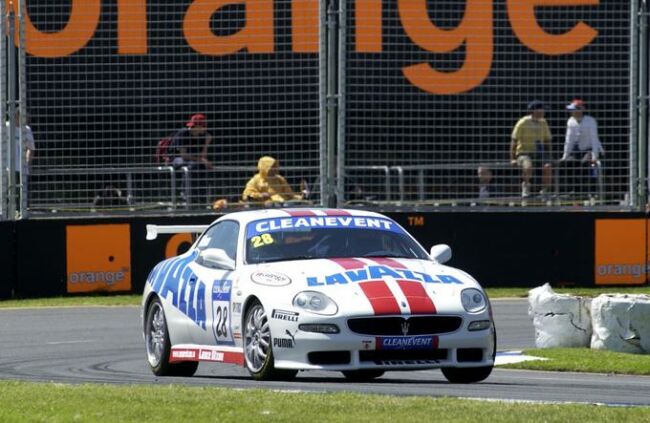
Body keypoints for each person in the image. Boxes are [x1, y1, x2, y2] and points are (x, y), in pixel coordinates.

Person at [559, 99, 604, 198]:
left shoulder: (590, 121)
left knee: (585, 163)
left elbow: (594, 139)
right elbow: (569, 140)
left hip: (590, 149)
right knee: (569, 163)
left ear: (581, 110)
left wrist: (595, 156)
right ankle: (575, 190)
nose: (572, 112)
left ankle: (588, 191)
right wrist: (565, 156)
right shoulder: (570, 121)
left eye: (574, 109)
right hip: (578, 150)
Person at [510, 100, 553, 198]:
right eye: (542, 110)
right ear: (534, 111)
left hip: (539, 152)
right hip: (524, 152)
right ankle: (526, 187)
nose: (544, 112)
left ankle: (545, 190)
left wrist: (549, 156)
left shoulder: (543, 122)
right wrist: (512, 158)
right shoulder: (523, 122)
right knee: (527, 166)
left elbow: (548, 140)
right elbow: (514, 140)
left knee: (548, 166)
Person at [171, 113, 213, 206]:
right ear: (197, 126)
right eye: (203, 126)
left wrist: (207, 142)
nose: (205, 128)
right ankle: (185, 195)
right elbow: (183, 155)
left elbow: (203, 156)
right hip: (177, 158)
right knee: (192, 166)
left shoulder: (203, 136)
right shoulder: (183, 133)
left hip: (195, 160)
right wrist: (200, 160)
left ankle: (201, 198)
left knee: (203, 167)